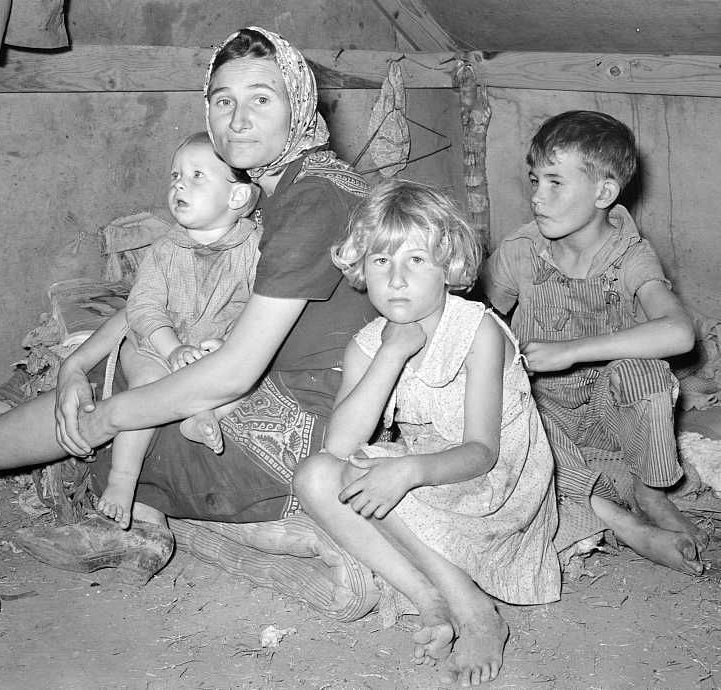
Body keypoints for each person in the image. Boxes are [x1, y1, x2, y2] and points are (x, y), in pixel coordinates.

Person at [0, 27, 375, 587]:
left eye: (262, 98)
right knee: (138, 366)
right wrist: (75, 363)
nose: (238, 120)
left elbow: (232, 373)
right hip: (298, 398)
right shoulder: (291, 186)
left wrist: (114, 411)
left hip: (307, 435)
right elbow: (165, 300)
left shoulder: (310, 201)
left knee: (122, 419)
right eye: (223, 100)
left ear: (299, 107)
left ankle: (137, 515)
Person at [293, 180, 560, 686]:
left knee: (367, 475)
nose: (396, 279)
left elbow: (482, 453)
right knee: (315, 476)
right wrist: (391, 353)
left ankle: (477, 612)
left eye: (416, 260)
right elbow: (338, 447)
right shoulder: (368, 345)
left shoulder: (477, 330)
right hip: (428, 472)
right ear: (360, 267)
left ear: (449, 267)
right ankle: (427, 595)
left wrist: (407, 471)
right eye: (380, 262)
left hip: (495, 485)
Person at [483, 110, 709, 576]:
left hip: (611, 416)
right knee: (512, 420)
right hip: (548, 413)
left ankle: (650, 490)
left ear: (604, 193)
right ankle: (625, 523)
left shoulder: (630, 257)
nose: (536, 198)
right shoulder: (520, 252)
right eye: (534, 181)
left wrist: (571, 349)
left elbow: (679, 332)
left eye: (554, 183)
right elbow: (479, 320)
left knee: (644, 371)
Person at [98, 131, 260, 530]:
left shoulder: (255, 249)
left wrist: (230, 340)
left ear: (237, 197)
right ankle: (123, 479)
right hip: (155, 344)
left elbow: (261, 307)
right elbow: (143, 307)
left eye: (197, 175)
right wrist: (170, 348)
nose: (180, 185)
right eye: (175, 176)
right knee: (149, 391)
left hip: (212, 349)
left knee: (247, 381)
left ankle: (201, 415)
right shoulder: (164, 250)